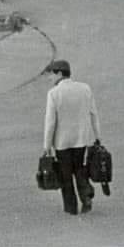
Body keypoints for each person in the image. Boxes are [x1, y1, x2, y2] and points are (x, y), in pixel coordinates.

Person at [43, 60, 101, 215]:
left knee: (65, 176)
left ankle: (71, 208)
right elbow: (93, 114)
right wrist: (97, 136)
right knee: (80, 170)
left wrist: (47, 145)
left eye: (51, 74)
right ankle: (86, 197)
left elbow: (50, 122)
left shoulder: (53, 94)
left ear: (59, 73)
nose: (50, 78)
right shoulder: (85, 88)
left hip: (62, 142)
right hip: (82, 139)